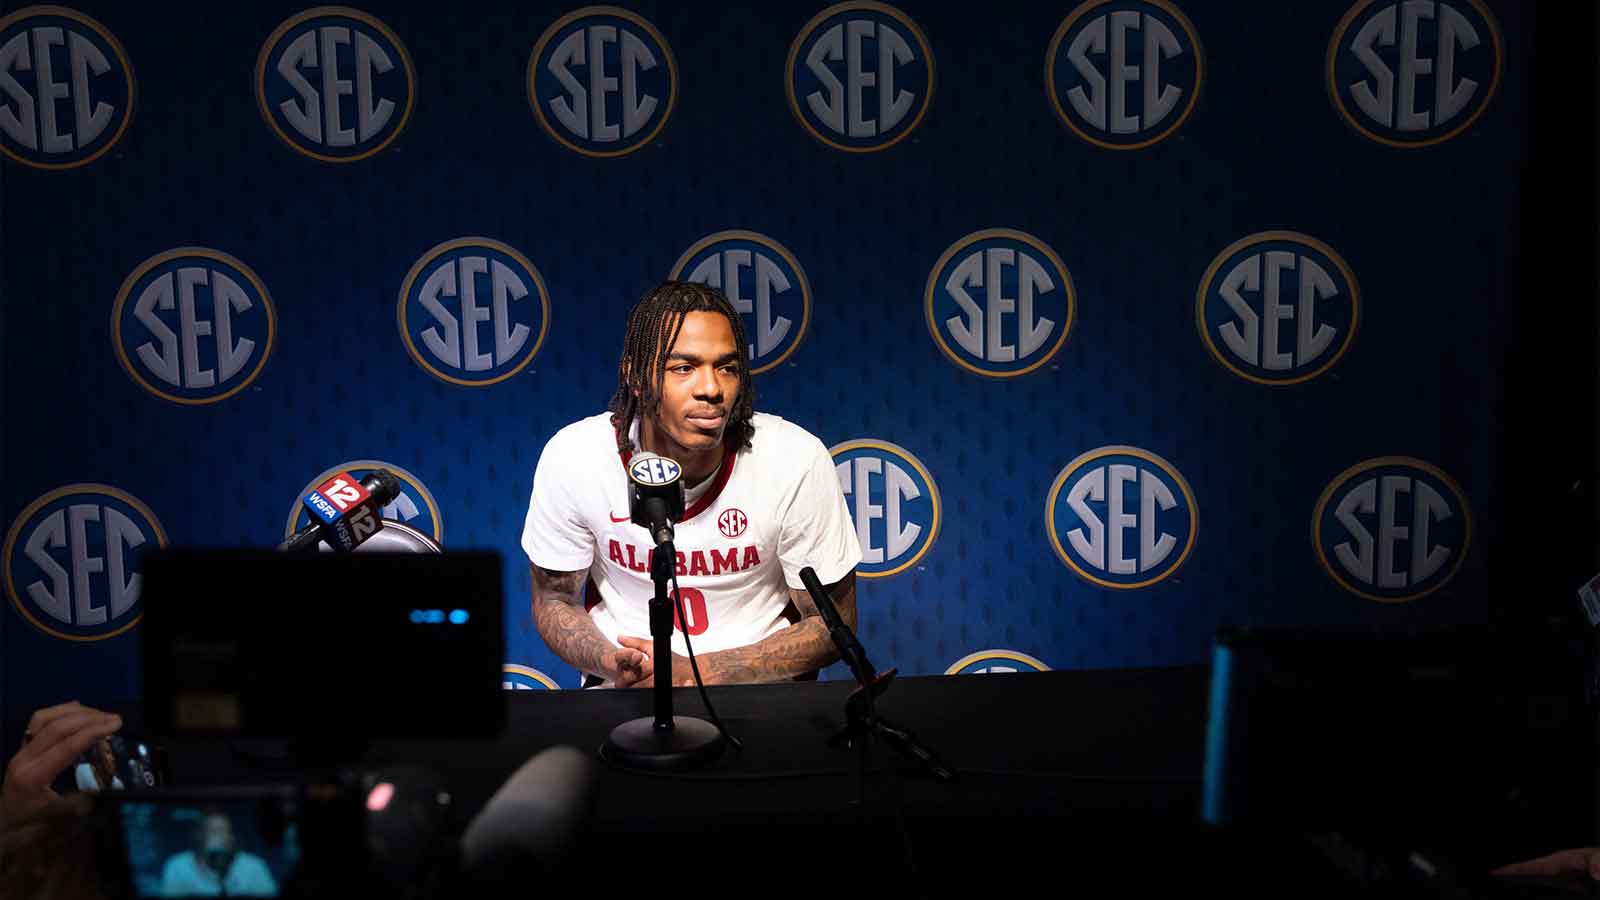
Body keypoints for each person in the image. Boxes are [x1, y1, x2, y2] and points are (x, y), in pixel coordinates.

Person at [522, 280, 862, 688]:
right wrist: (614, 662)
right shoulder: (575, 457)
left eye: (727, 368)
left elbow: (832, 625)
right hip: (626, 688)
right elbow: (554, 599)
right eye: (683, 368)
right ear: (635, 374)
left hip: (764, 699)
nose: (711, 389)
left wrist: (700, 672)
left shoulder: (795, 460)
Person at [158, 808, 278, 897]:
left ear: (232, 837)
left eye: (223, 831)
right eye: (213, 832)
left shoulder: (254, 867)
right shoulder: (177, 867)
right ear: (199, 836)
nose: (219, 838)